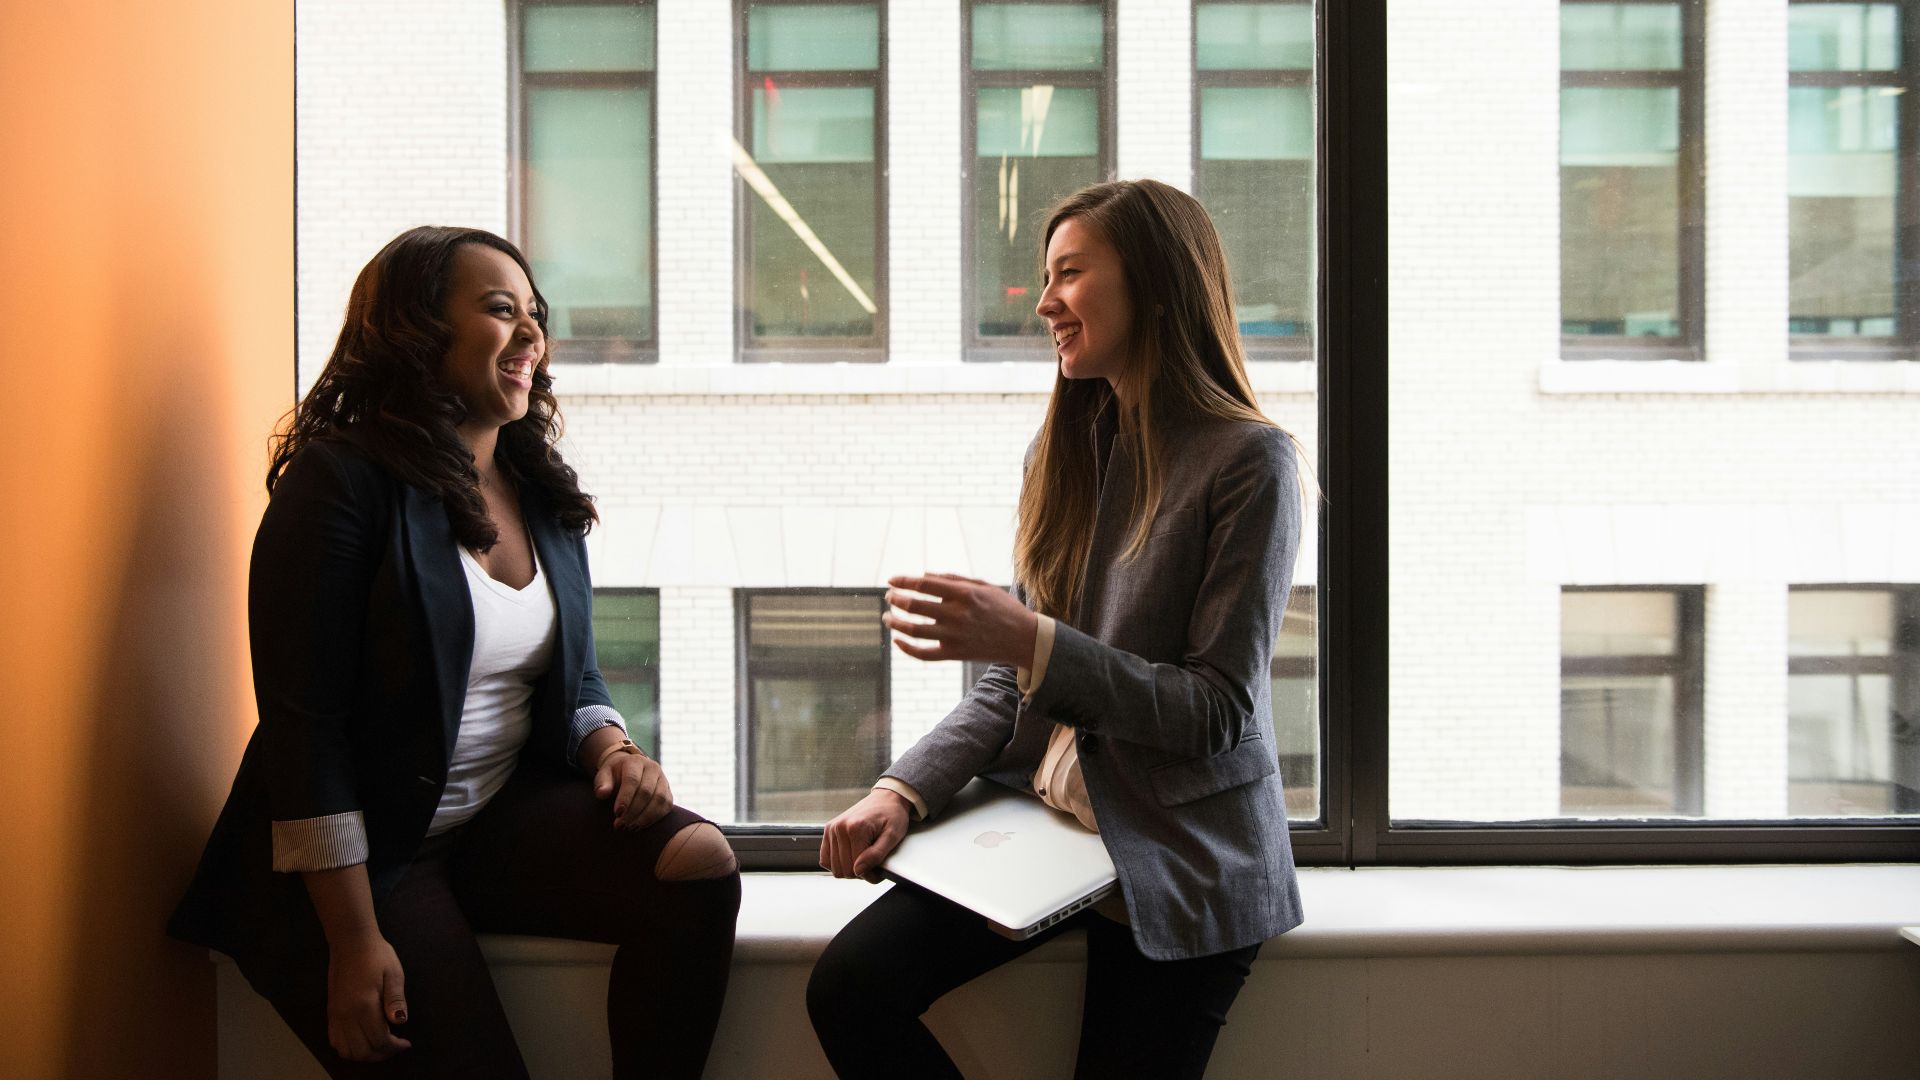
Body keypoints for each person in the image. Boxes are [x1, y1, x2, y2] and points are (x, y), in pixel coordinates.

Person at [169, 226, 740, 1079]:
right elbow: (305, 731)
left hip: (482, 821)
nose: (531, 335)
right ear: (415, 330)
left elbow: (570, 672)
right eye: (501, 310)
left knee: (699, 866)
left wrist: (612, 745)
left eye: (536, 316)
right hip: (359, 862)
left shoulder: (536, 486)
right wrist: (354, 943)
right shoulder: (339, 483)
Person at [809, 179, 1308, 1079]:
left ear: (1155, 285)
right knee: (848, 987)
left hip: (1179, 852)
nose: (1043, 303)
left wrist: (1030, 642)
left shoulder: (1250, 461)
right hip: (1052, 830)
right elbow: (1011, 685)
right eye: (1046, 278)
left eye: (1069, 274)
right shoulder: (1064, 450)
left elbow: (1216, 711)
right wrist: (901, 791)